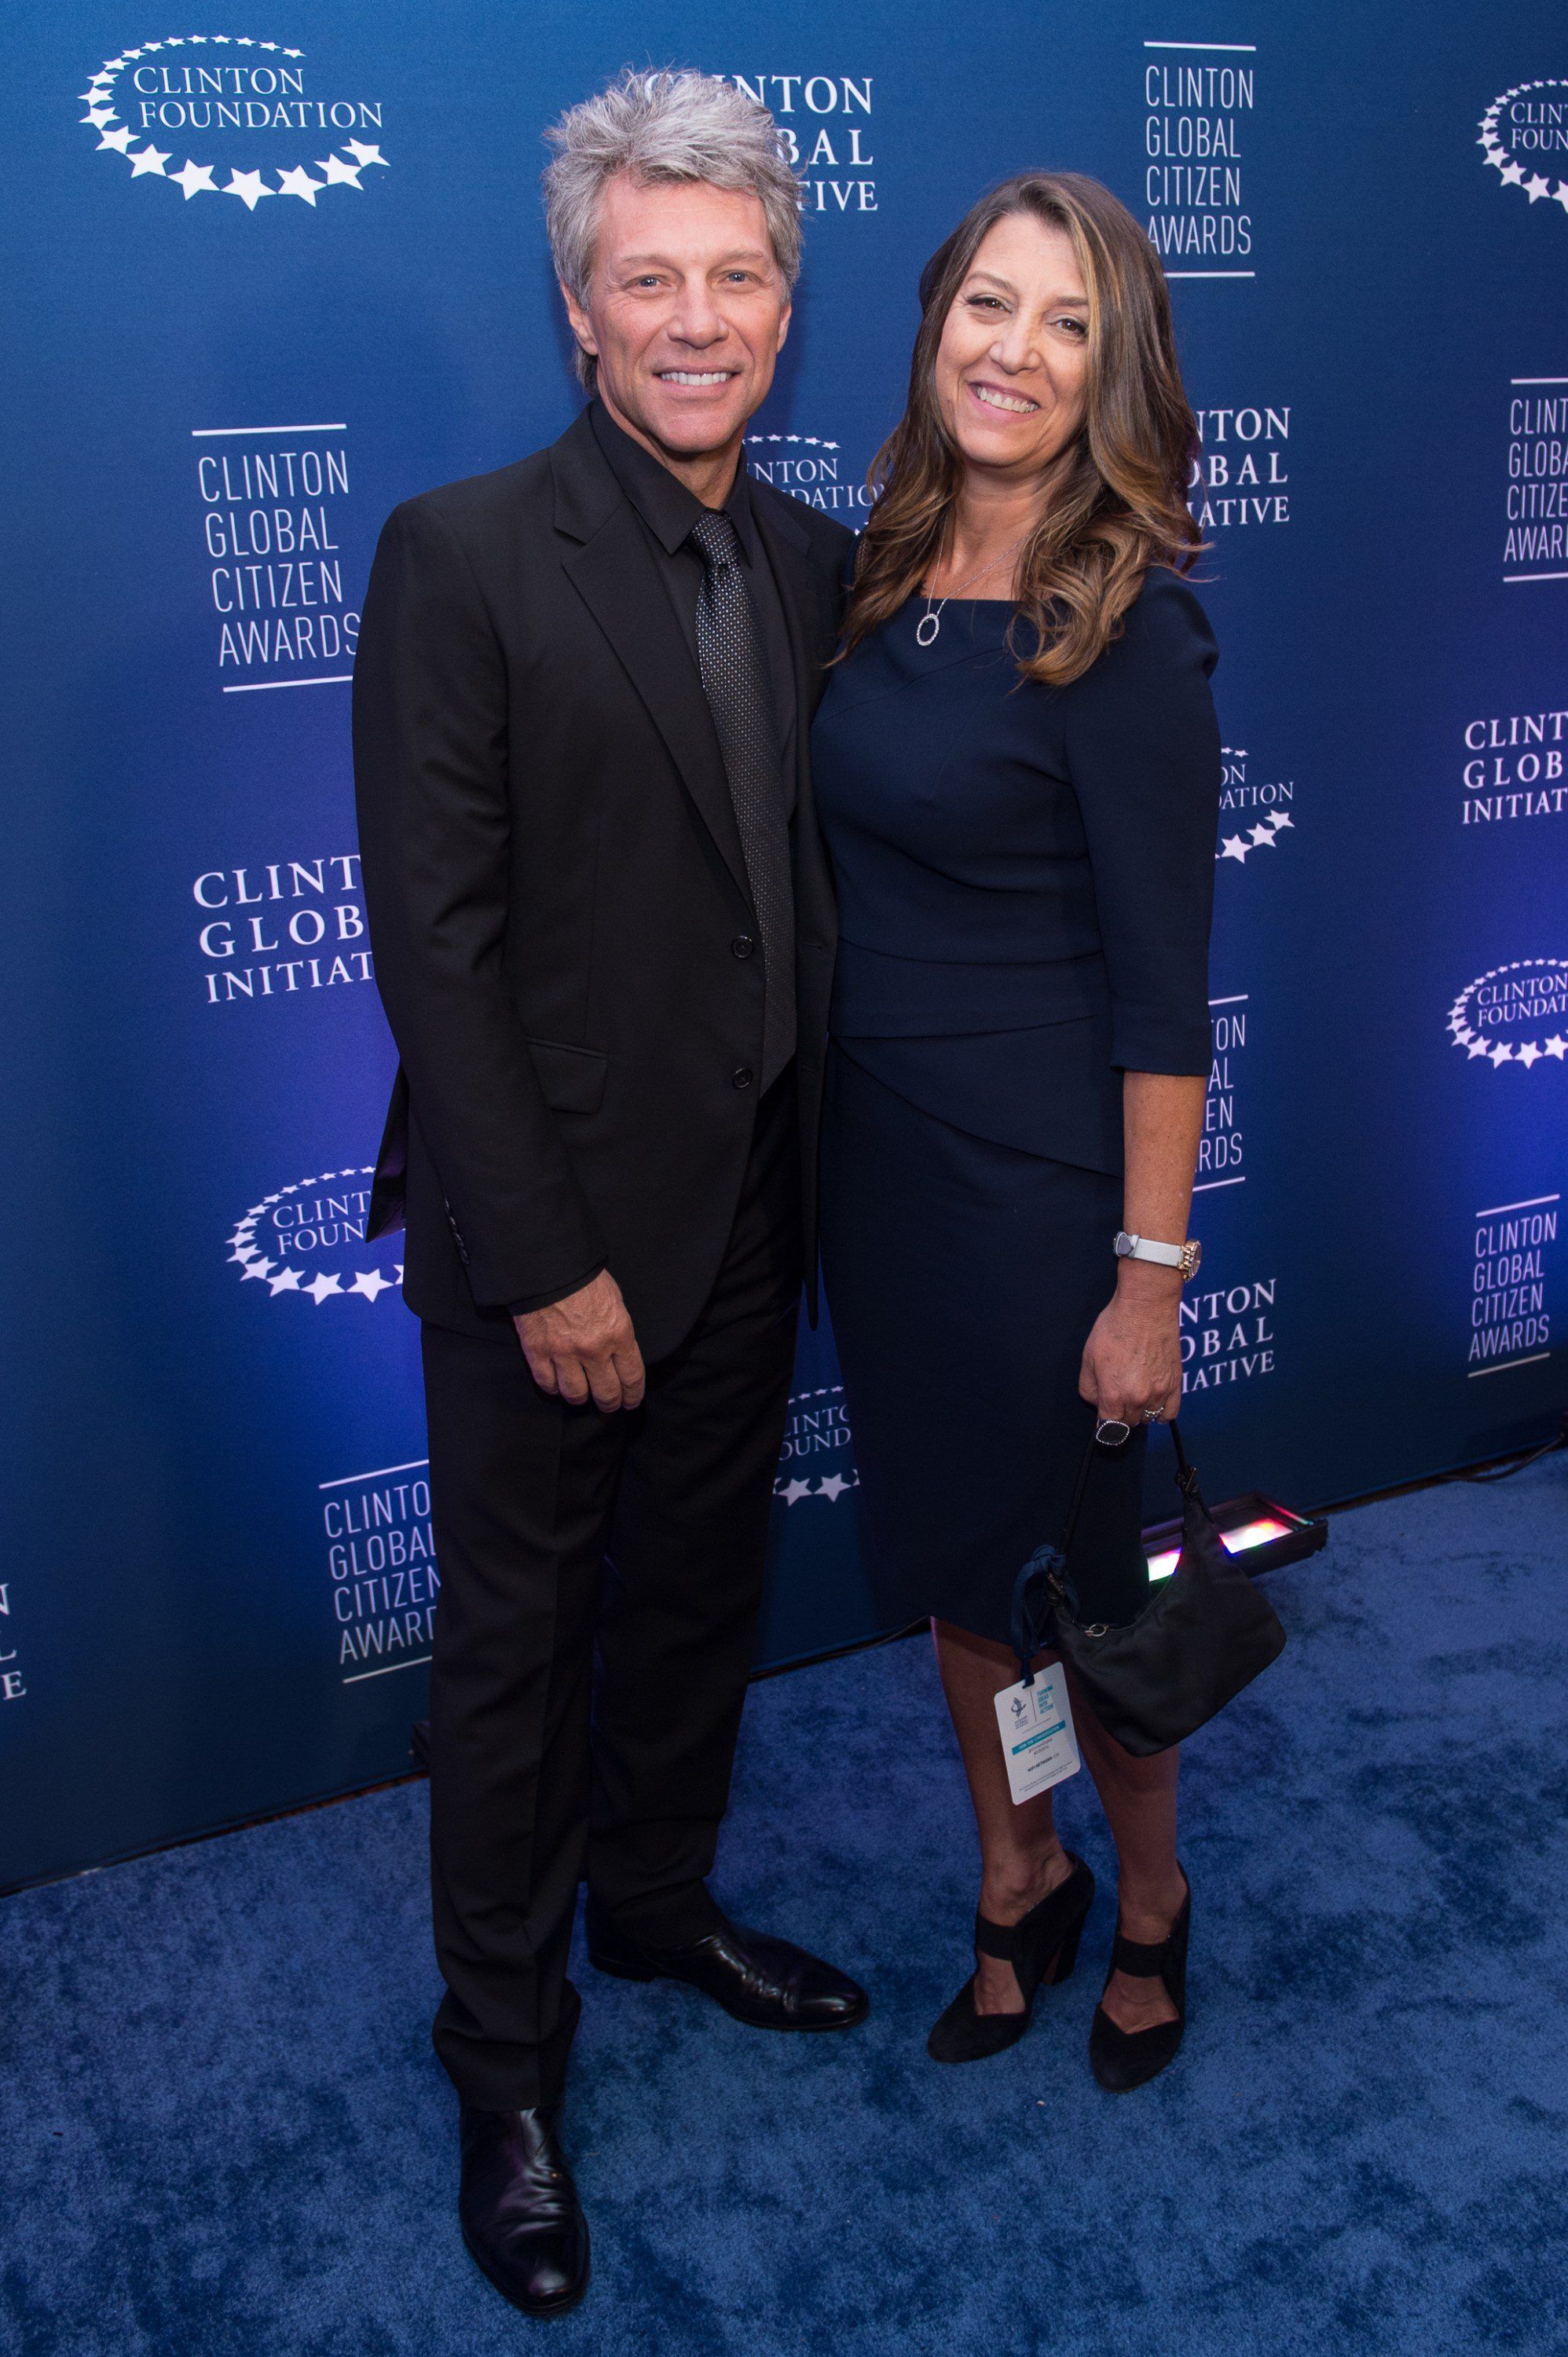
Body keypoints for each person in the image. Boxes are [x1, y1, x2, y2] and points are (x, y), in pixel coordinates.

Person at [353, 70, 866, 2320]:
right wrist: (546, 1259)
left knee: (691, 1606)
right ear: (578, 310)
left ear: (785, 305)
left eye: (734, 277)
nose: (694, 319)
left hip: (756, 1205)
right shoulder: (463, 554)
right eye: (646, 279)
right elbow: (434, 948)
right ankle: (504, 2064)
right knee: (514, 1662)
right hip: (544, 1245)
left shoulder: (815, 563)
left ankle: (655, 1908)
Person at [814, 173, 1218, 2091]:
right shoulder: (871, 576)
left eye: (1067, 323)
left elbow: (1162, 1000)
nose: (1014, 351)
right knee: (954, 1574)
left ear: (1110, 368)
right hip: (881, 1180)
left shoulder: (1126, 629)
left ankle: (1147, 1899)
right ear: (933, 323)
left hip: (1041, 1207)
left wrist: (1146, 1281)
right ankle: (1015, 1868)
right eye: (988, 303)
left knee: (1078, 1596)